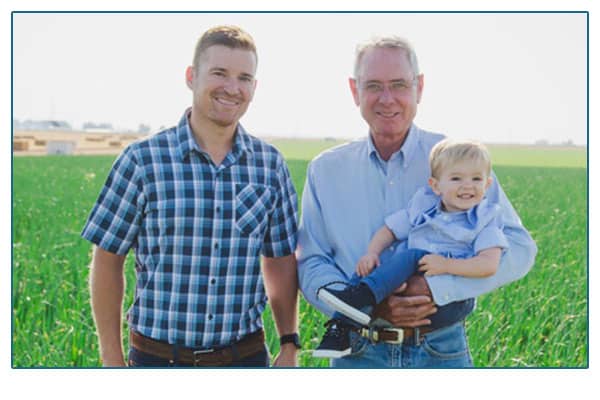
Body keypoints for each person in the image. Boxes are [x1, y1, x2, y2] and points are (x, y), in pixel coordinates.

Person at [297, 36, 537, 367]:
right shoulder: (325, 171)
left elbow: (519, 247)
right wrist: (365, 306)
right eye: (373, 86)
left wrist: (437, 286)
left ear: (419, 87)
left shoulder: (458, 160)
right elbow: (311, 261)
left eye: (399, 84)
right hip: (358, 353)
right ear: (354, 91)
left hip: (441, 350)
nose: (387, 98)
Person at [82, 25, 300, 367]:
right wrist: (112, 359)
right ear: (191, 76)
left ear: (254, 87)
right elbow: (108, 259)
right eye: (219, 73)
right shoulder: (142, 160)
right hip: (157, 360)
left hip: (245, 359)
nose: (232, 88)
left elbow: (280, 261)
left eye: (244, 77)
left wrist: (289, 343)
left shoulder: (270, 165)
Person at [313, 139, 508, 358]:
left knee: (412, 255)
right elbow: (390, 230)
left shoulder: (484, 220)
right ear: (435, 185)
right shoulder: (423, 207)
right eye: (456, 178)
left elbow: (488, 265)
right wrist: (372, 253)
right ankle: (339, 331)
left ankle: (362, 297)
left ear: (487, 185)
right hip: (409, 275)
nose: (467, 186)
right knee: (366, 270)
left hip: (446, 305)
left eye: (476, 179)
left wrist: (446, 265)